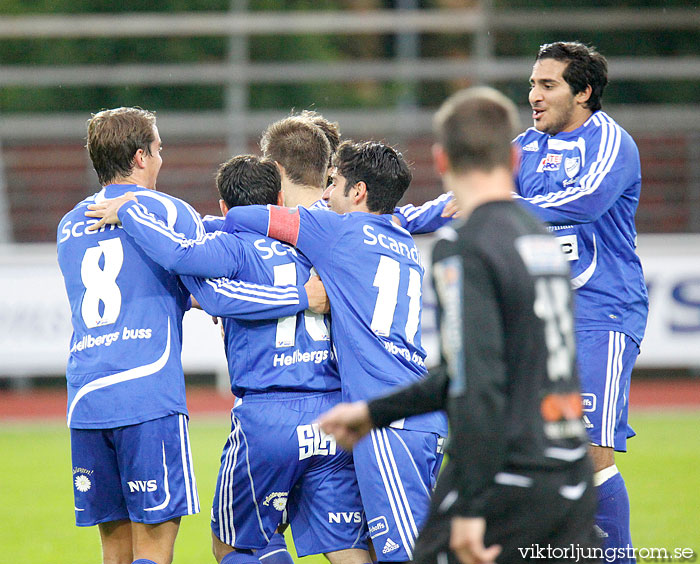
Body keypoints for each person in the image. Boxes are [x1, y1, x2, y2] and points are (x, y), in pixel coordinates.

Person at [318, 86, 599, 564]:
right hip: (570, 467)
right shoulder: (541, 237)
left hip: (509, 475)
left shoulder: (465, 245)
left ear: (441, 159)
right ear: (512, 158)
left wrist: (470, 504)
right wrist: (372, 415)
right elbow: (483, 369)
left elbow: (476, 382)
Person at [85, 155, 371, 564]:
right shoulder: (316, 245)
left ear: (224, 206)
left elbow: (191, 268)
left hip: (269, 413)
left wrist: (131, 212)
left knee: (233, 543)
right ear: (276, 198)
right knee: (345, 547)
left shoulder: (228, 250)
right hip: (332, 412)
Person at [219, 140, 449, 563]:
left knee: (407, 556)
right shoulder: (401, 236)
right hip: (419, 410)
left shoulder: (336, 231)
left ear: (358, 191)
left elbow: (241, 215)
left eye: (334, 184)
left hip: (388, 421)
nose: (325, 194)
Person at [513, 41, 648, 561]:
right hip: (537, 318)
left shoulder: (611, 141)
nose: (534, 96)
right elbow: (468, 197)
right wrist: (395, 220)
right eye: (532, 84)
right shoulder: (523, 147)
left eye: (547, 85)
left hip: (600, 311)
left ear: (584, 92)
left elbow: (587, 200)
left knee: (589, 455)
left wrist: (504, 204)